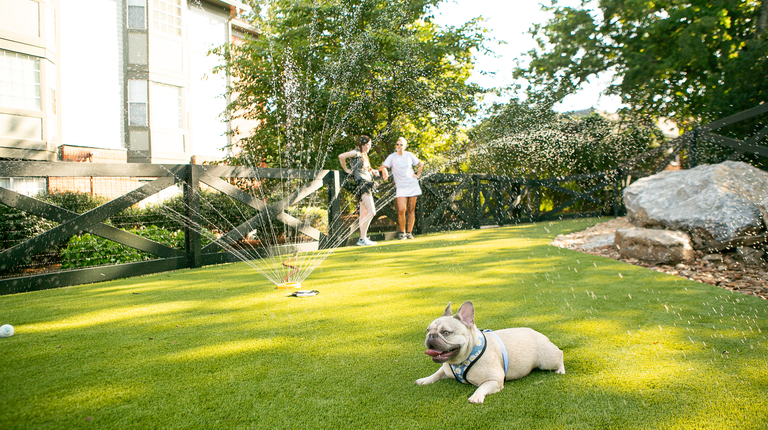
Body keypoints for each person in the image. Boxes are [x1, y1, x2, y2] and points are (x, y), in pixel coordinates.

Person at [339, 135, 382, 246]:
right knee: (372, 212)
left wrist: (373, 171)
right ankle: (362, 239)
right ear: (362, 144)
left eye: (370, 145)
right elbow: (341, 156)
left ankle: (362, 239)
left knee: (363, 213)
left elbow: (366, 168)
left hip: (366, 184)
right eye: (367, 145)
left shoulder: (364, 155)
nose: (369, 147)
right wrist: (346, 169)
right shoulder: (356, 152)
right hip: (362, 184)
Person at [379, 137, 423, 240]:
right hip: (401, 187)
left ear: (405, 146)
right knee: (401, 209)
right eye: (397, 144)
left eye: (401, 144)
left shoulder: (409, 155)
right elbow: (382, 167)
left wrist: (418, 174)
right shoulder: (392, 157)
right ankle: (402, 232)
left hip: (412, 184)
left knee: (411, 210)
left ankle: (409, 233)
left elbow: (421, 163)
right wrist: (384, 170)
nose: (399, 146)